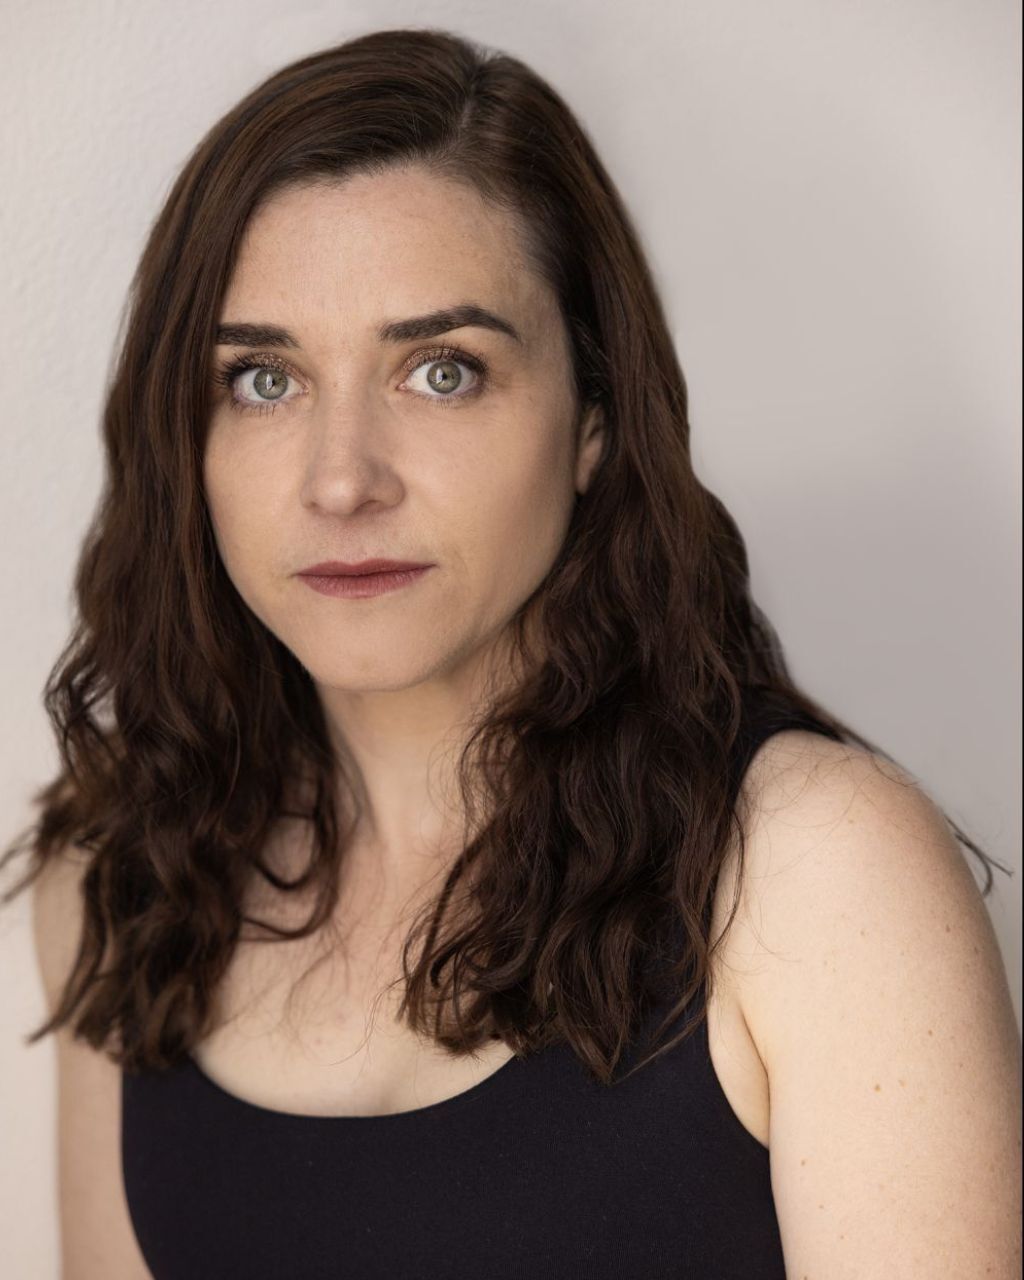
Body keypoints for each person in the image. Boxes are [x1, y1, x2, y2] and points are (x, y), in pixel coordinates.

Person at [4, 25, 1020, 1280]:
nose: (341, 479)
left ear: (594, 418)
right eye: (263, 380)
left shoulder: (813, 871)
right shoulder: (126, 871)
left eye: (441, 370)